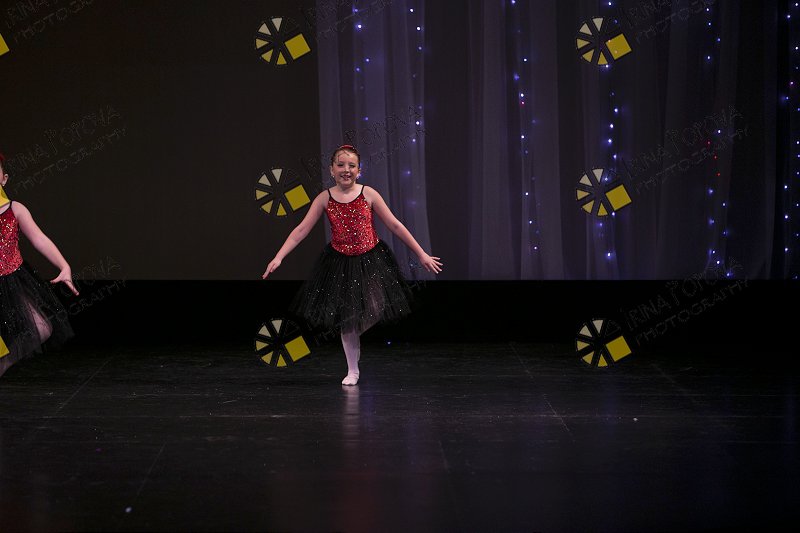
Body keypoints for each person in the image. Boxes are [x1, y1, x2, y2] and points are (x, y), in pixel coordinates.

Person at [262, 144, 442, 385]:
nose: (346, 169)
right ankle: (352, 369)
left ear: (359, 170)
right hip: (340, 262)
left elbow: (395, 225)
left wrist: (421, 254)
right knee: (347, 318)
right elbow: (301, 230)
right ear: (331, 169)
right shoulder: (324, 198)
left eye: (351, 165)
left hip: (371, 259)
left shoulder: (369, 194)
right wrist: (279, 256)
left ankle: (352, 336)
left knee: (376, 308)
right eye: (340, 165)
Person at [0, 152, 78, 378]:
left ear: (4, 179)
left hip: (10, 278)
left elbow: (39, 239)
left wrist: (64, 266)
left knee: (41, 327)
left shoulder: (15, 209)